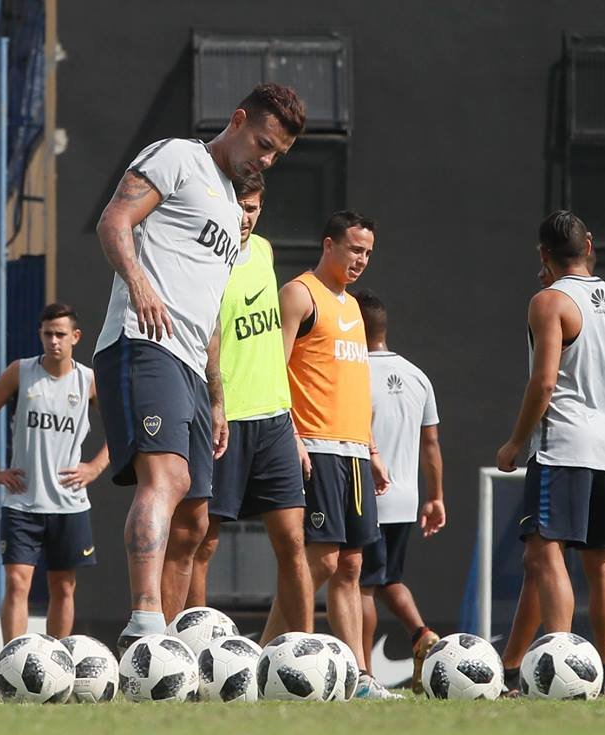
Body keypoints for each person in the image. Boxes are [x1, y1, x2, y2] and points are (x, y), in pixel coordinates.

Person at [92, 83, 305, 651]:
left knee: (193, 518)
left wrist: (216, 398)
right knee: (164, 479)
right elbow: (113, 222)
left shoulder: (237, 212)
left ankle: (165, 655)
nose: (265, 159)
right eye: (262, 144)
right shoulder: (178, 156)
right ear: (237, 121)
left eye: (276, 156)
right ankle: (144, 626)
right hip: (144, 341)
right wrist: (139, 283)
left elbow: (210, 312)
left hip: (191, 365)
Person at [496, 210, 605, 696]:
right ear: (590, 244)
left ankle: (561, 667)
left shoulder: (549, 301)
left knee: (545, 551)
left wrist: (517, 442)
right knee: (603, 564)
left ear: (543, 255)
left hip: (563, 445)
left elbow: (544, 381)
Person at [186, 172, 314, 640]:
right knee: (204, 543)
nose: (246, 215)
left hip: (275, 420)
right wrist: (214, 406)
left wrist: (295, 429)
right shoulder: (201, 258)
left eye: (254, 207)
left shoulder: (263, 251)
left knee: (294, 543)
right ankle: (196, 652)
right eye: (239, 205)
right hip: (225, 421)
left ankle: (304, 651)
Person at [276, 210, 397, 699]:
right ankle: (285, 655)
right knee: (320, 562)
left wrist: (371, 449)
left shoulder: (353, 307)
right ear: (329, 245)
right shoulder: (300, 293)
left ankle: (360, 678)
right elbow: (275, 371)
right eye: (354, 249)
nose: (361, 260)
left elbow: (355, 384)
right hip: (316, 445)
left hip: (352, 453)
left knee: (350, 566)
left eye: (367, 252)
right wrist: (293, 437)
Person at [0, 303, 109, 643]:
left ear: (75, 337)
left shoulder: (88, 380)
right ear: (40, 335)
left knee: (62, 586)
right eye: (47, 334)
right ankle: (13, 665)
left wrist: (95, 466)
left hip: (69, 504)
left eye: (61, 334)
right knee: (17, 583)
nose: (54, 341)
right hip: (22, 502)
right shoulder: (21, 371)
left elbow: (125, 429)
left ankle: (57, 664)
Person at [354, 289, 447, 695]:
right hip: (406, 499)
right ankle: (422, 634)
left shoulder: (353, 373)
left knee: (361, 586)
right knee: (388, 579)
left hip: (367, 495)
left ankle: (364, 674)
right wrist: (436, 496)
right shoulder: (417, 375)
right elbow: (431, 445)